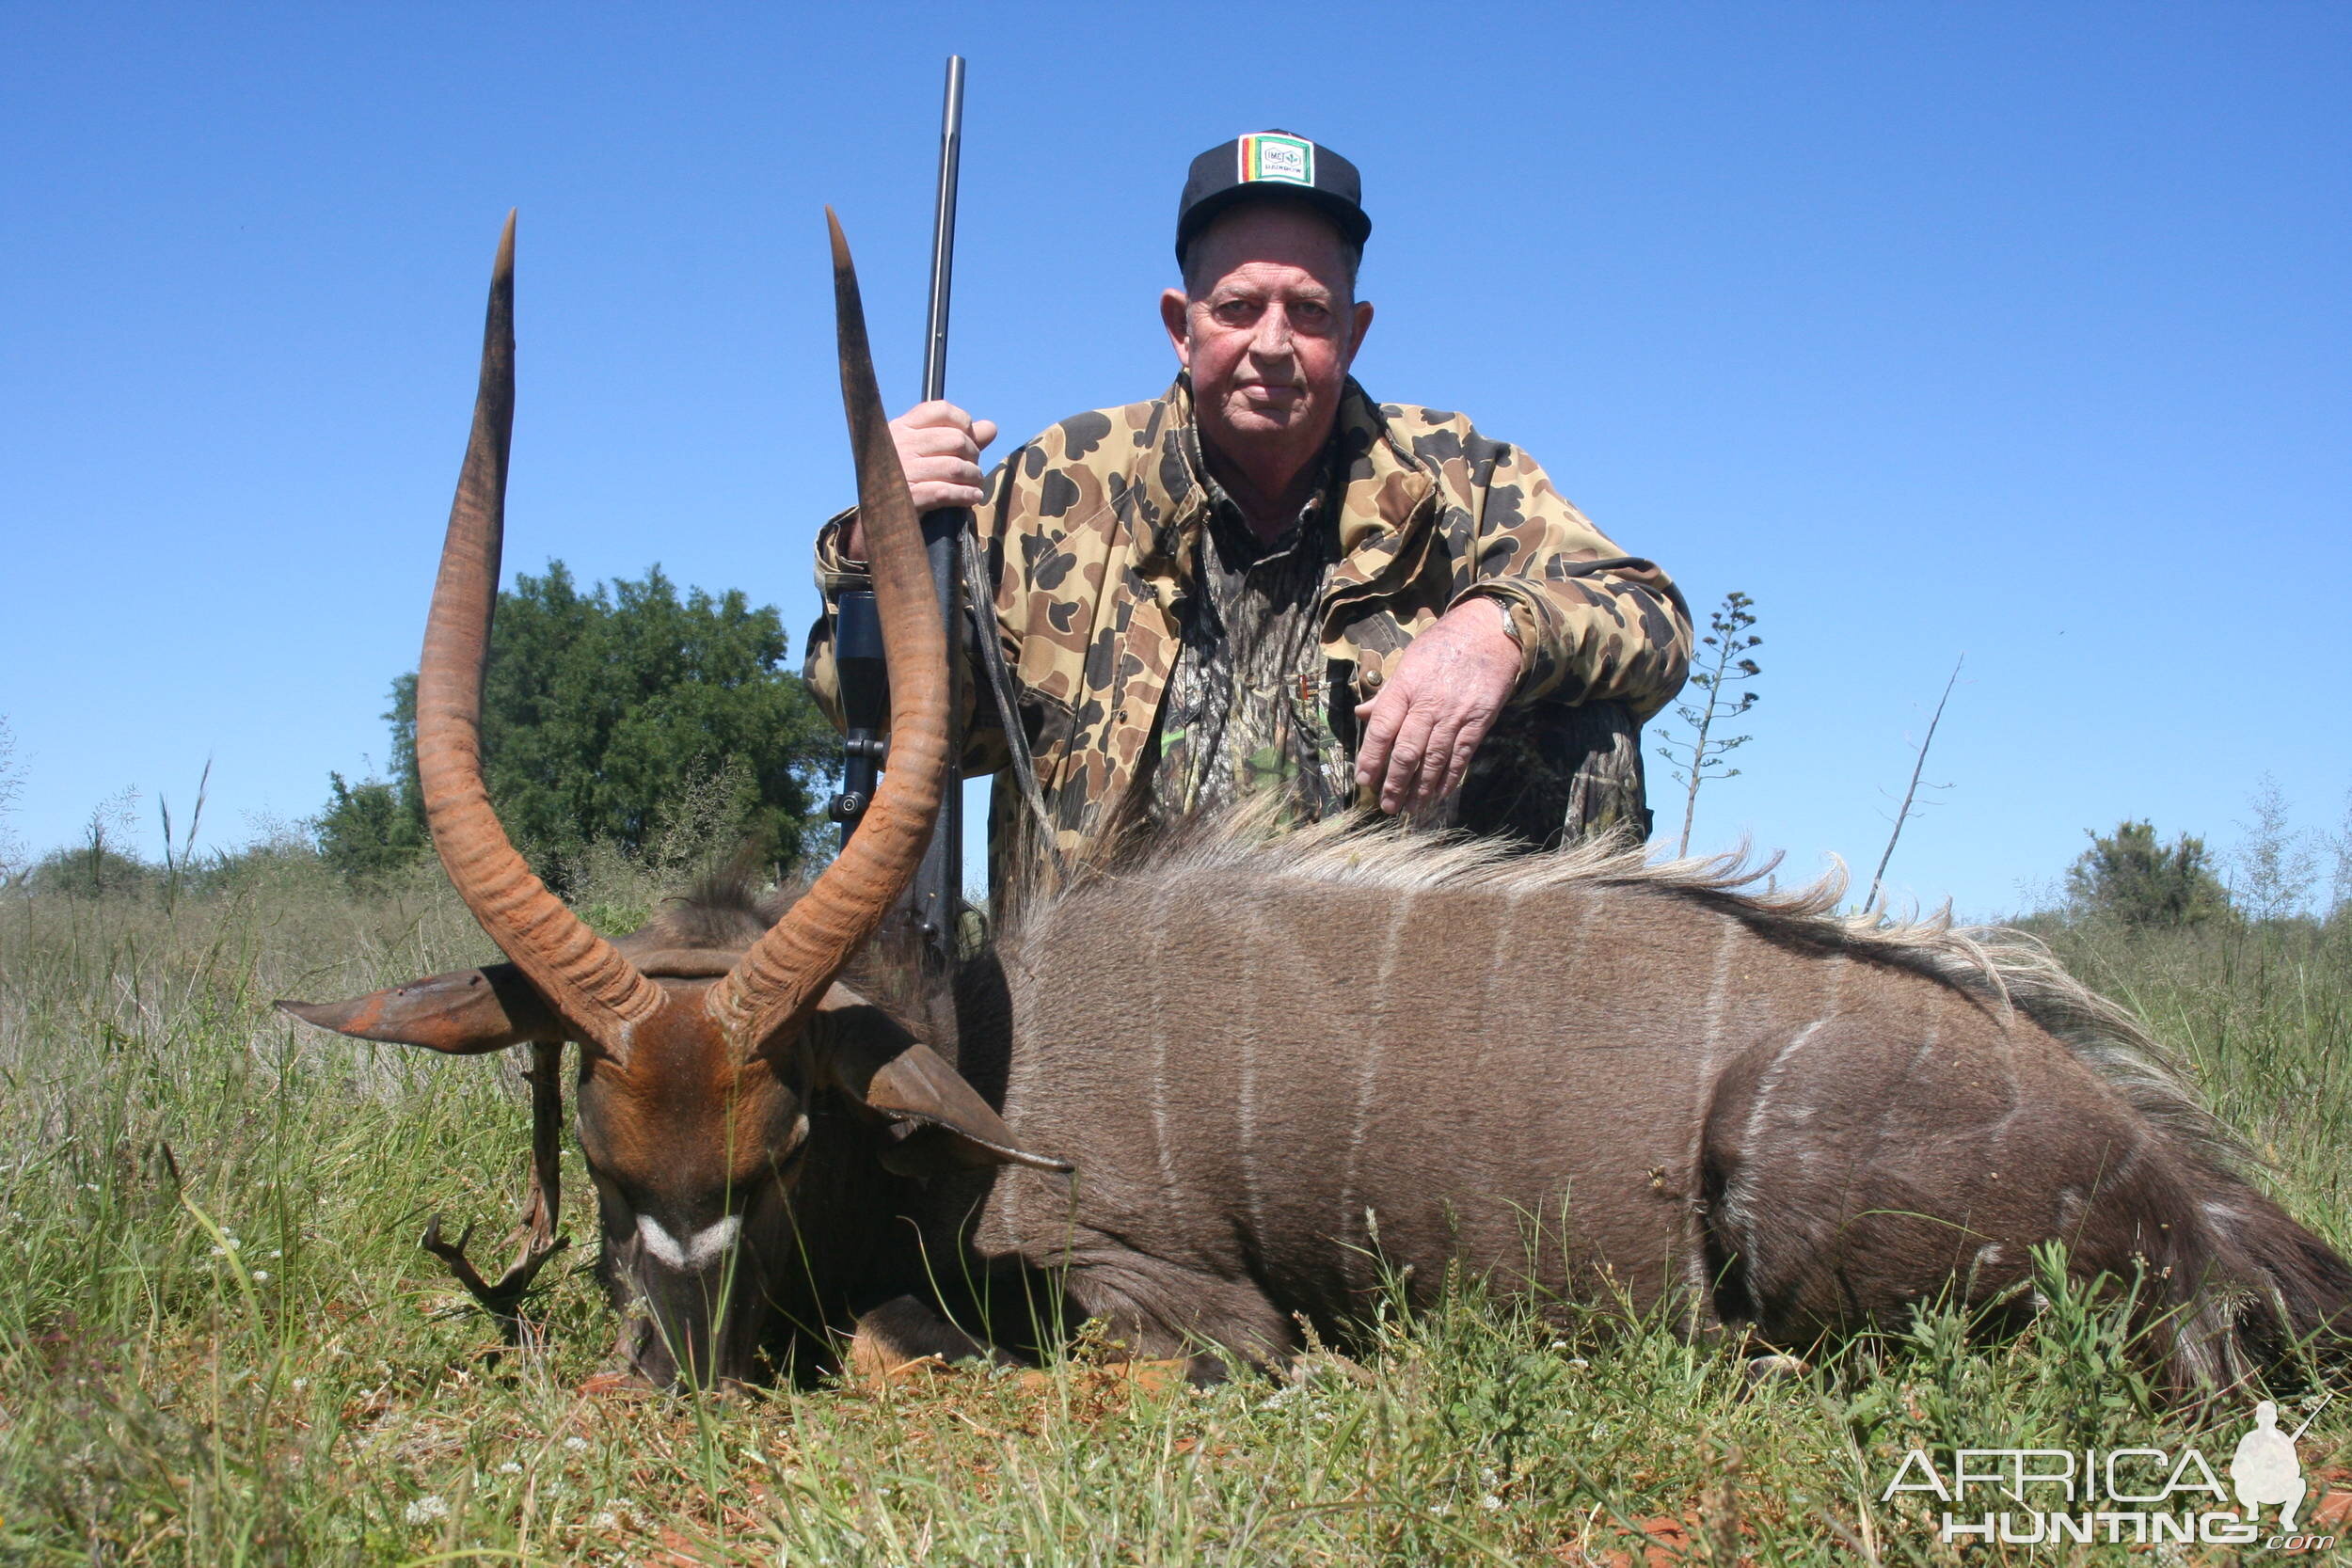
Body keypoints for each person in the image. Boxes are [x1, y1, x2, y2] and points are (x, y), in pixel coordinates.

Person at [806, 130, 1692, 887]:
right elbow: (884, 718)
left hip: (1384, 1010)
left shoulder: (1459, 473)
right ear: (1180, 326)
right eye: (1237, 307)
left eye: (1309, 311)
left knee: (1587, 723)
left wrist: (1496, 631)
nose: (1273, 344)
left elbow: (1655, 617)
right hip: (1104, 1015)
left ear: (1355, 331)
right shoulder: (1054, 482)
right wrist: (876, 539)